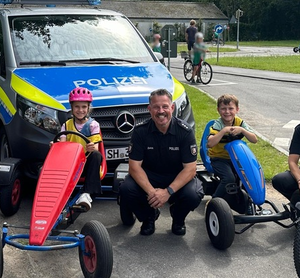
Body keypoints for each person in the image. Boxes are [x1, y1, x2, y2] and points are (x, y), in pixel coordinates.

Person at [119, 88, 203, 236]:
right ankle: (148, 217)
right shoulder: (140, 131)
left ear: (172, 107)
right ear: (149, 109)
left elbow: (190, 169)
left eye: (165, 106)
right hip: (150, 176)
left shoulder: (185, 131)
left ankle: (178, 218)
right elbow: (134, 167)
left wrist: (168, 192)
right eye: (156, 107)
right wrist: (152, 193)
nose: (161, 111)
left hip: (176, 176)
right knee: (126, 189)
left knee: (194, 193)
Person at [206, 94, 258, 211]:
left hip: (236, 158)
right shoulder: (218, 124)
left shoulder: (240, 123)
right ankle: (213, 202)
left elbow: (254, 139)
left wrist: (243, 130)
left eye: (230, 108)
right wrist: (224, 131)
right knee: (229, 178)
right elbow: (210, 143)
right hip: (219, 158)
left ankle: (248, 203)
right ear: (218, 110)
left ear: (237, 109)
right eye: (223, 109)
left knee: (248, 176)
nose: (227, 112)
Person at [56, 87, 103, 211]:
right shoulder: (66, 125)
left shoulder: (93, 125)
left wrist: (92, 147)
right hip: (70, 165)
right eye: (77, 107)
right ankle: (56, 193)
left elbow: (96, 147)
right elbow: (62, 144)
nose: (80, 110)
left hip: (86, 164)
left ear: (88, 108)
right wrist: (55, 146)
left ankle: (87, 194)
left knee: (96, 155)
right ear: (72, 108)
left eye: (83, 107)